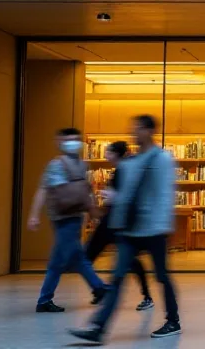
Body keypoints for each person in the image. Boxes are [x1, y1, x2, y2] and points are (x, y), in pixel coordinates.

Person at [70, 115, 181, 343]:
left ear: (149, 131)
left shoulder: (162, 159)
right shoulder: (132, 162)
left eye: (138, 128)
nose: (133, 132)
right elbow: (127, 195)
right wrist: (115, 203)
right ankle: (98, 328)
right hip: (130, 232)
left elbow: (164, 194)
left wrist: (164, 226)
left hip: (154, 229)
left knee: (162, 276)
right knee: (118, 277)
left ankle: (173, 320)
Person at [28, 127, 107, 313]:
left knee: (58, 261)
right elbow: (44, 190)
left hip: (76, 216)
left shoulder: (83, 165)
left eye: (76, 139)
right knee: (76, 257)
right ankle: (99, 288)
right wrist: (33, 215)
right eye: (69, 139)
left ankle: (44, 300)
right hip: (62, 217)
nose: (73, 143)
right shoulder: (56, 165)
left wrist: (92, 211)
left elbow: (86, 192)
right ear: (60, 142)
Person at [84, 141, 154, 310]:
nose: (106, 154)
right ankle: (100, 289)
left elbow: (127, 196)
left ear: (117, 154)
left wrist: (113, 197)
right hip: (110, 221)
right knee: (88, 256)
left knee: (129, 261)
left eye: (109, 151)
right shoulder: (119, 171)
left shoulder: (125, 171)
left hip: (119, 223)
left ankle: (144, 295)